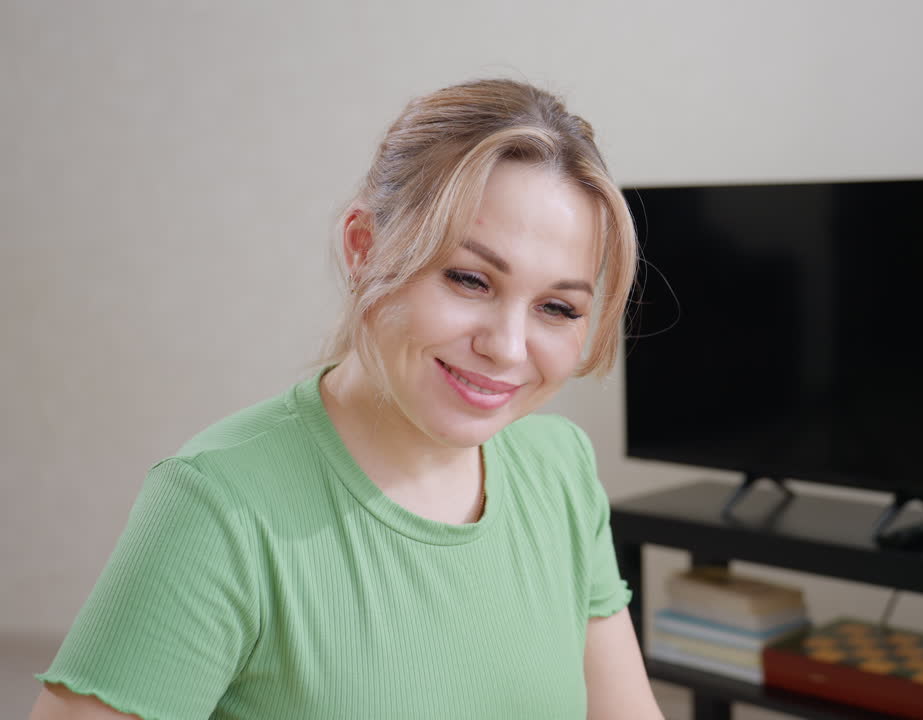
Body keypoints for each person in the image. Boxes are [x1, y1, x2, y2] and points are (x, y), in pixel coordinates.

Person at [29, 78, 664, 720]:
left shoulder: (559, 468)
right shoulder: (217, 506)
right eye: (469, 279)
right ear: (364, 248)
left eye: (557, 307)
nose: (507, 347)